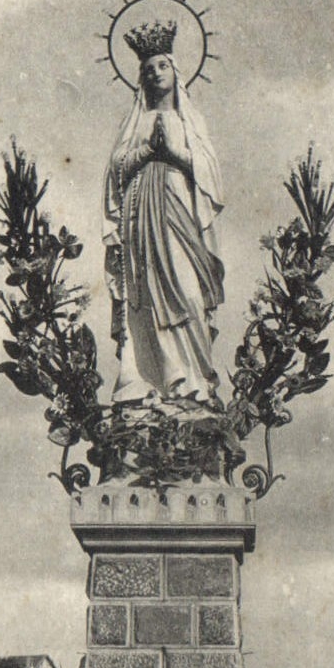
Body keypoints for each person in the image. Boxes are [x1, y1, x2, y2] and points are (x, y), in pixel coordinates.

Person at [104, 24, 225, 406]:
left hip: (179, 211)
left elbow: (210, 172)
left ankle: (195, 381)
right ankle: (157, 382)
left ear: (175, 70)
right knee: (147, 297)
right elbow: (115, 172)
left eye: (162, 66)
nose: (155, 73)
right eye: (147, 69)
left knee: (188, 291)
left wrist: (171, 153)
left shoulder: (191, 120)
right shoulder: (134, 122)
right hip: (141, 215)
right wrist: (146, 153)